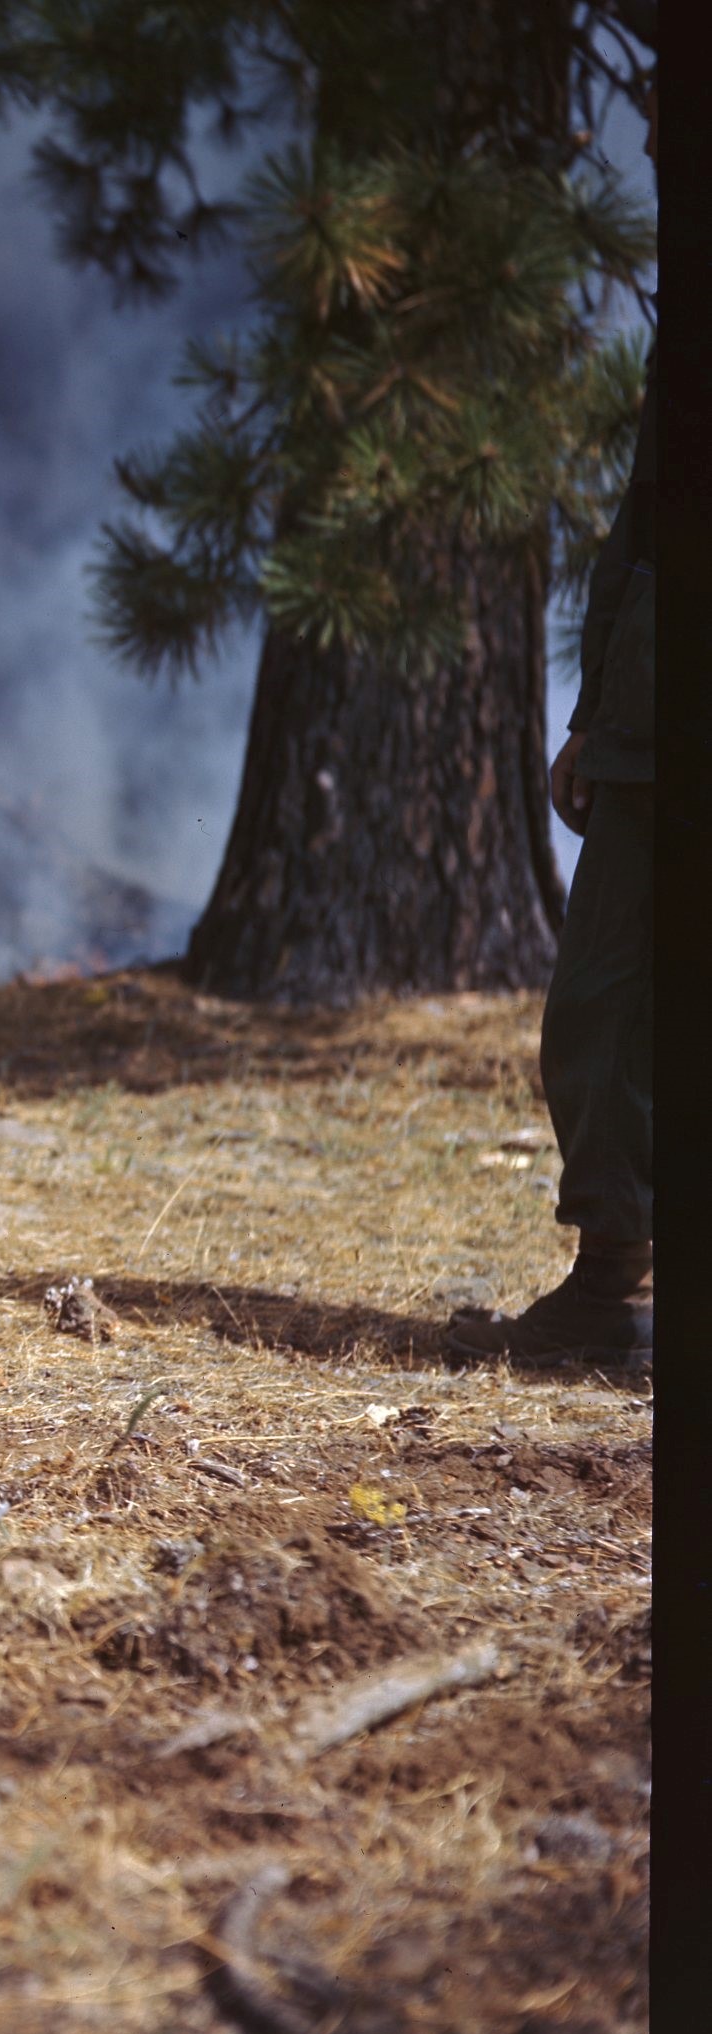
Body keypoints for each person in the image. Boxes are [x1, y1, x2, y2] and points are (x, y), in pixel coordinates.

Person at [449, 347, 654, 1380]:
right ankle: (616, 1278)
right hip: (653, 725)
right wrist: (590, 718)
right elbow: (644, 522)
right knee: (599, 1010)